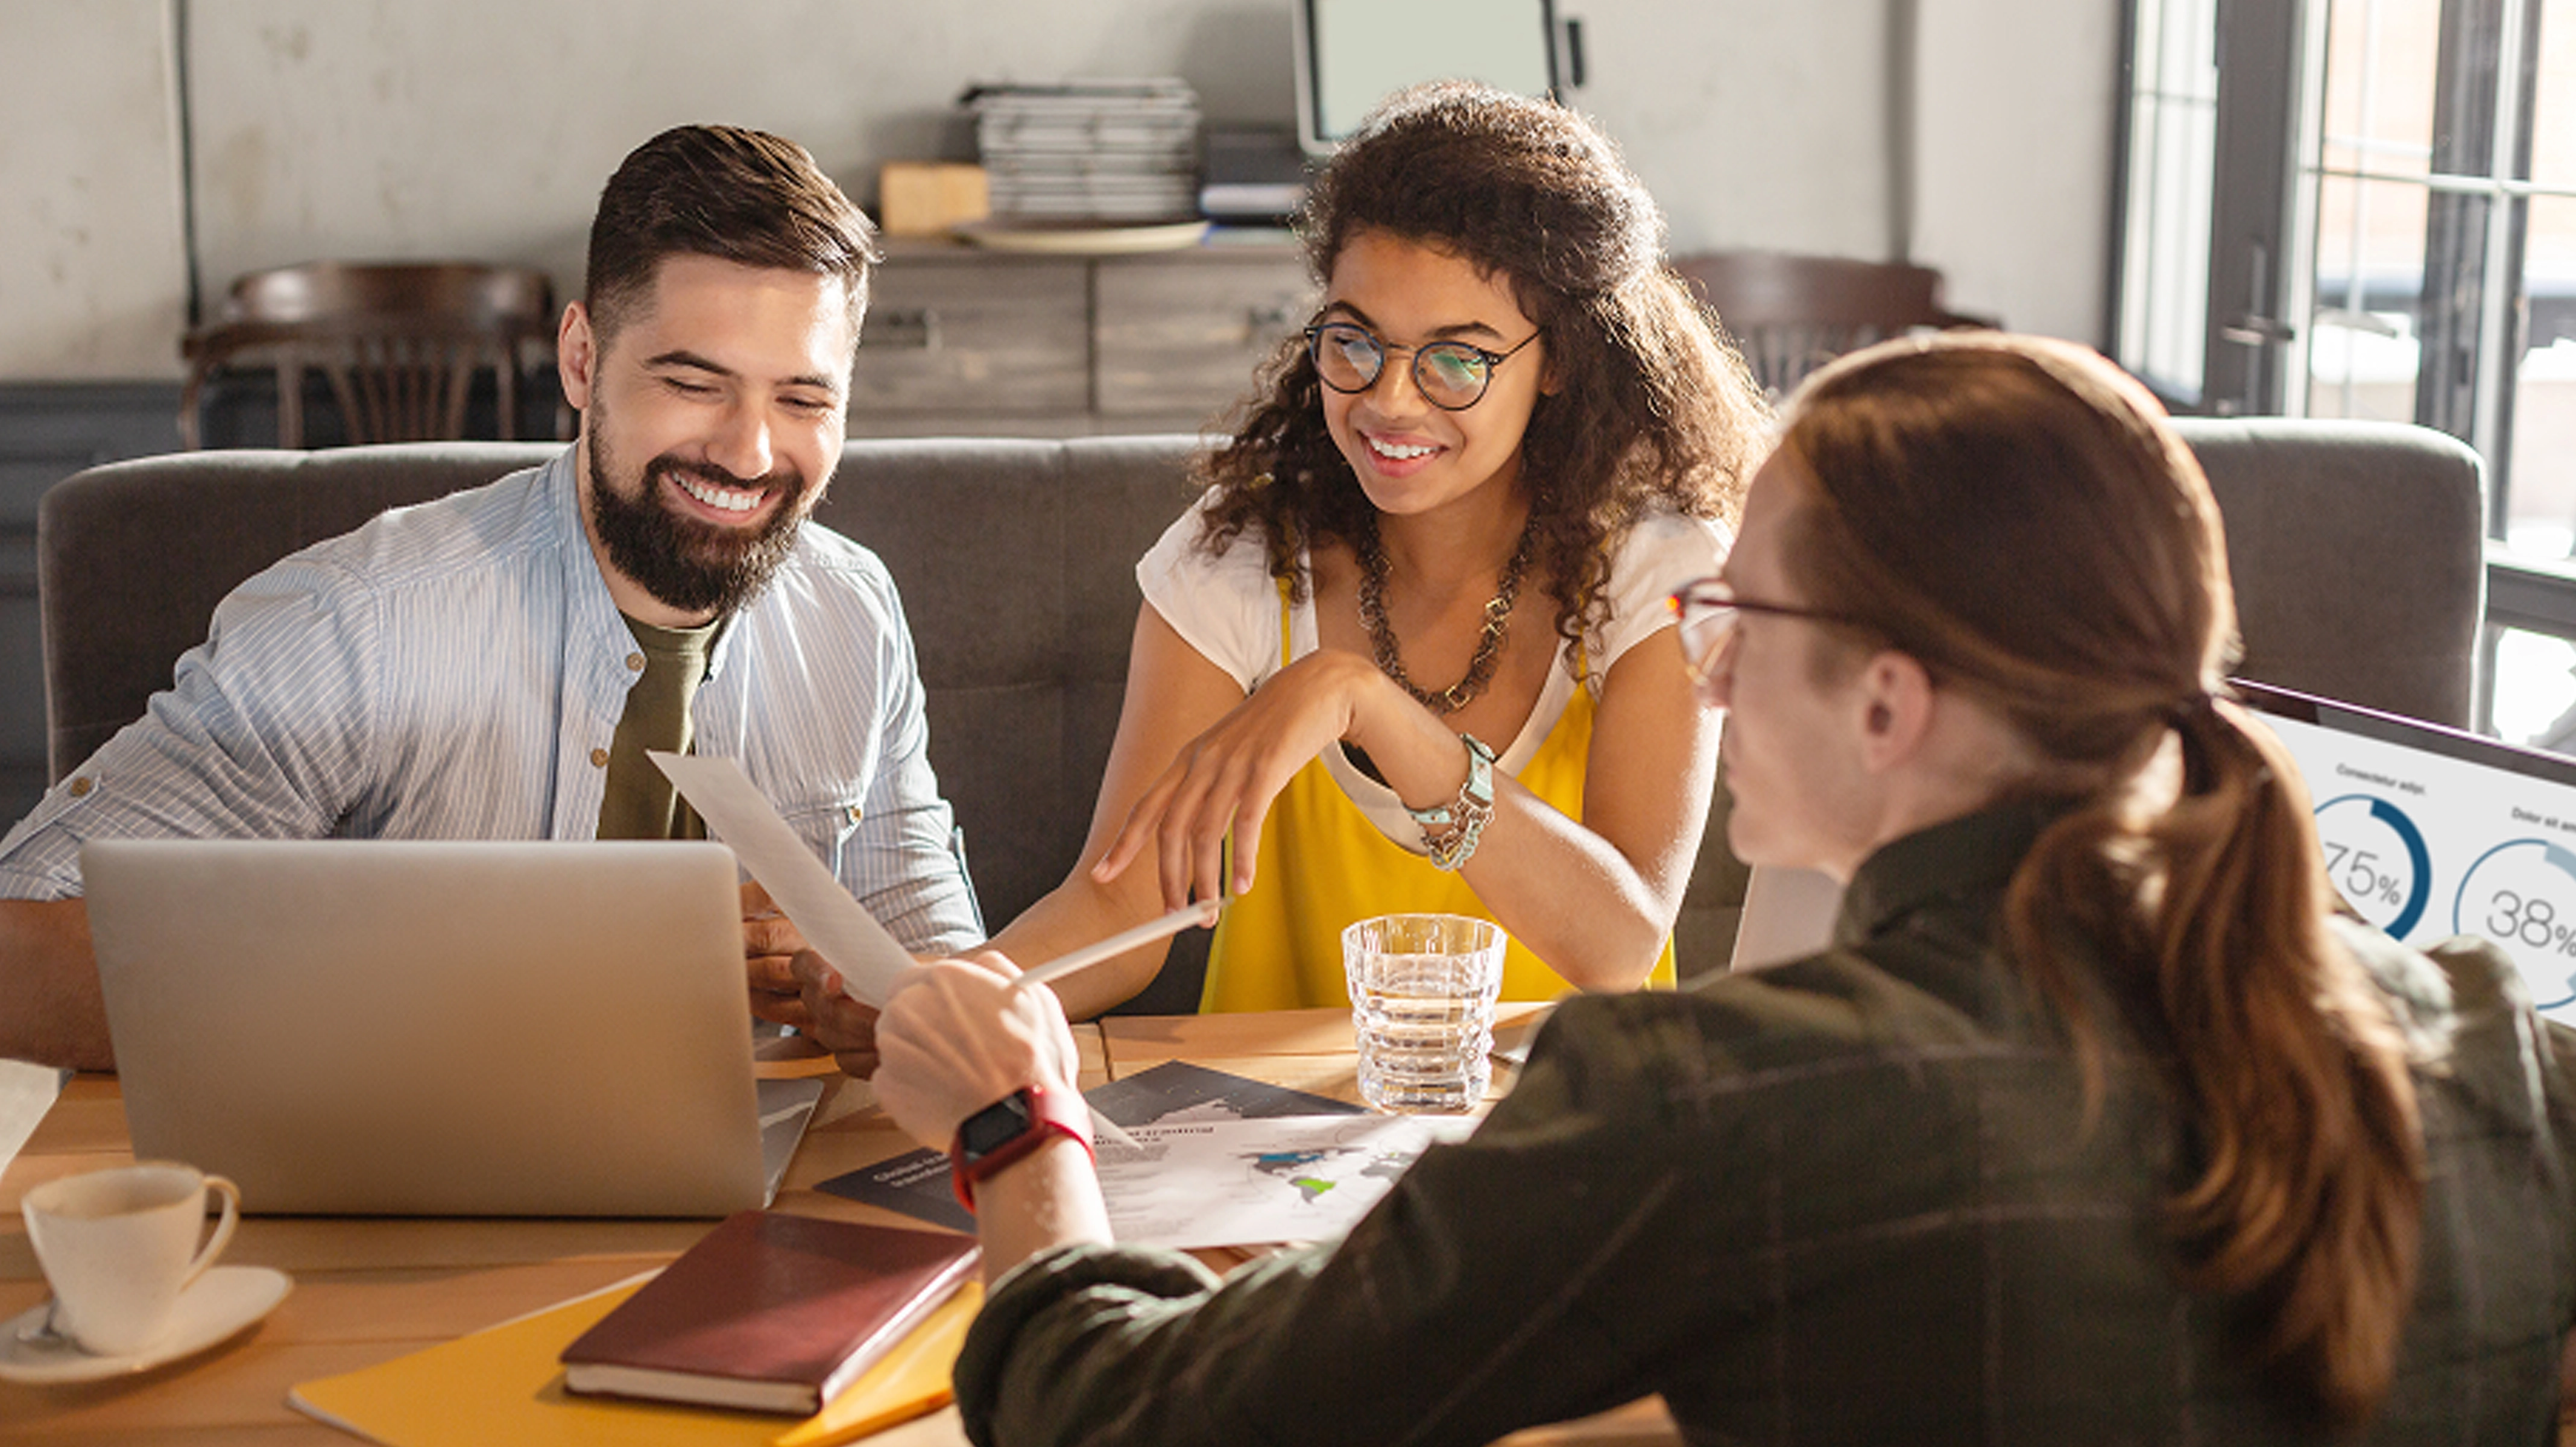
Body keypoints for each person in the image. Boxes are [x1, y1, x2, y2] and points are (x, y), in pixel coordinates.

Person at [867, 333, 2576, 1444]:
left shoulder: (1723, 1101)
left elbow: (1123, 1422)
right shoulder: (2501, 1056)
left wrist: (1019, 1130)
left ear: (1891, 702)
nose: (1705, 673)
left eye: (1743, 622)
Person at [796, 81, 1767, 1057]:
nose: (1389, 400)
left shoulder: (1653, 565)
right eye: (1354, 341)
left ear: (1558, 360)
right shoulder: (1241, 557)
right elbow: (1123, 907)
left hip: (1564, 1136)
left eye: (1456, 361)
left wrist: (1363, 701)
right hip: (1268, 1141)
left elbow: (1619, 942)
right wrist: (944, 997)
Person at [0, 124, 982, 1071]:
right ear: (583, 361)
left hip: (767, 1191)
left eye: (803, 400)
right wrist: (581, 960)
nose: (750, 452)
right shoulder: (361, 622)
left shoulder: (854, 610)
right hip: (405, 1190)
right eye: (694, 383)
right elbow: (21, 960)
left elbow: (923, 934)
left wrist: (900, 1010)